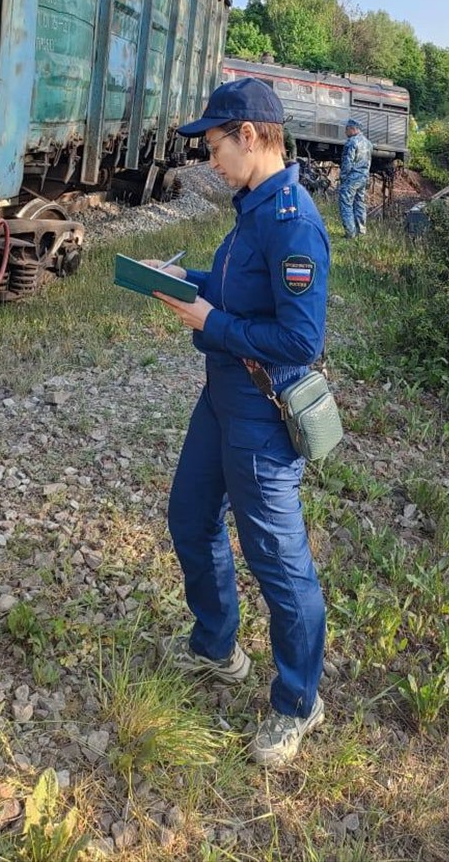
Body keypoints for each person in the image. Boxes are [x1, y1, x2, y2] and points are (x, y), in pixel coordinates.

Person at [143, 77, 329, 768]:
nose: (210, 160)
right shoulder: (254, 209)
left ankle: (298, 701)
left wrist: (213, 323)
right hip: (221, 396)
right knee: (190, 519)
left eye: (215, 145)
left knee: (279, 563)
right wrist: (183, 277)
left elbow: (302, 341)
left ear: (250, 137)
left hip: (260, 411)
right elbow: (236, 289)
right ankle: (217, 647)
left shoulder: (293, 222)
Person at [338, 118, 372, 238]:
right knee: (359, 203)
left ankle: (350, 232)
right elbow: (368, 163)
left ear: (353, 129)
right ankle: (361, 232)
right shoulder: (368, 143)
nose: (345, 132)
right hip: (363, 177)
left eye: (347, 129)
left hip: (351, 178)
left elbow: (347, 163)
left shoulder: (351, 142)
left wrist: (342, 178)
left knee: (346, 204)